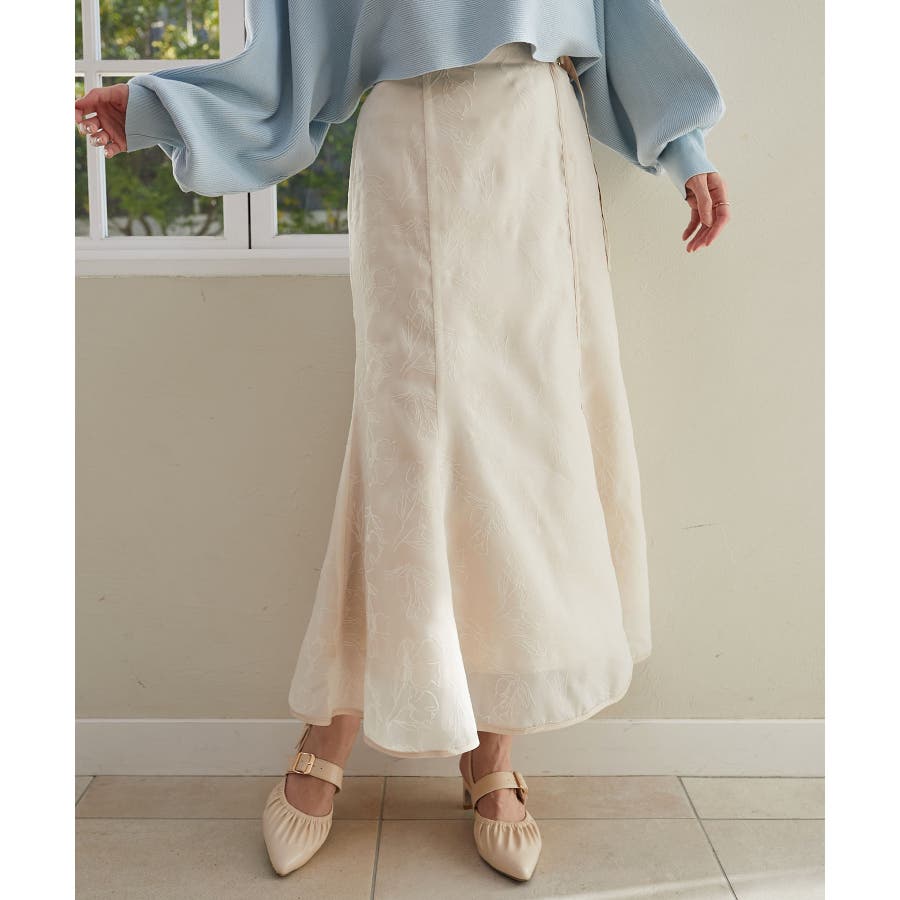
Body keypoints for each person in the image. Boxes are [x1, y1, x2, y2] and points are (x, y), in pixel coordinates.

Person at [75, 1, 729, 883]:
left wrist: (685, 148)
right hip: (409, 136)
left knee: (532, 446)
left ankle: (494, 748)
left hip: (537, 142)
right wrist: (163, 108)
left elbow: (616, 16)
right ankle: (330, 732)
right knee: (407, 438)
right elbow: (297, 50)